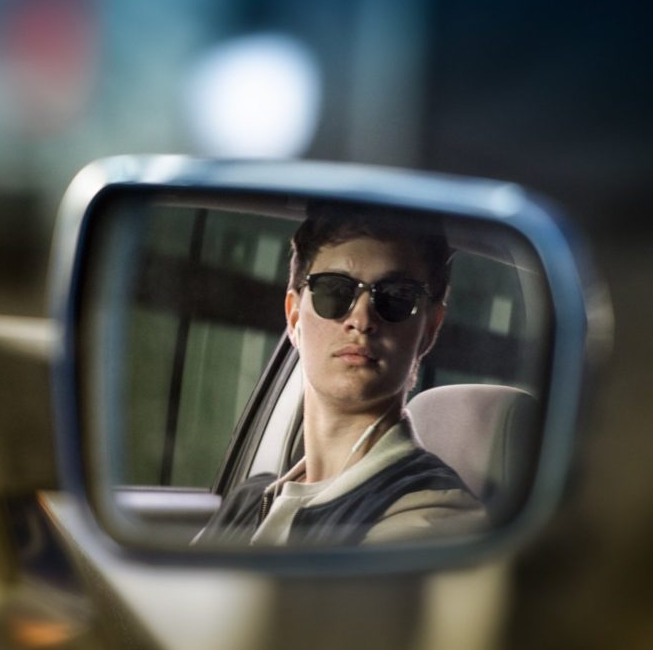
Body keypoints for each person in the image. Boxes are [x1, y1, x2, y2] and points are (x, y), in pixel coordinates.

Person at [198, 203, 486, 546]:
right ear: (294, 318)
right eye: (334, 291)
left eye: (396, 297)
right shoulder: (249, 500)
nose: (361, 320)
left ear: (429, 329)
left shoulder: (434, 519)